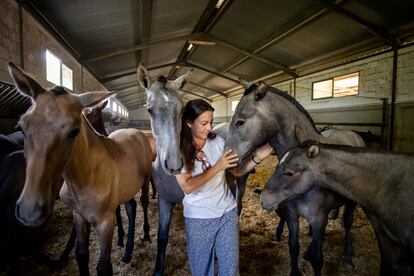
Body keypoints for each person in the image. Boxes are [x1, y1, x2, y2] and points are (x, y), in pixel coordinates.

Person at [175, 99, 273, 276]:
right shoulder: (178, 151)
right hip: (199, 219)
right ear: (189, 123)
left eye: (211, 122)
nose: (209, 128)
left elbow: (236, 171)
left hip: (227, 213)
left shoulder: (218, 142)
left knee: (230, 269)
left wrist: (259, 156)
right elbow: (187, 187)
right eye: (204, 123)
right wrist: (218, 166)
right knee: (202, 271)